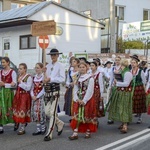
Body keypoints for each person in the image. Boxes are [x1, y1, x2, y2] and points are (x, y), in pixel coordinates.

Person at [69, 62, 97, 140]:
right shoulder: (77, 78)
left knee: (87, 114)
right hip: (79, 98)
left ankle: (88, 131)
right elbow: (75, 88)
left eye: (83, 67)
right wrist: (76, 98)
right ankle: (75, 132)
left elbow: (90, 90)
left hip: (87, 99)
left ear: (86, 68)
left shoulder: (90, 78)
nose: (81, 68)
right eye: (80, 67)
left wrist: (84, 100)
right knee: (77, 115)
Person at [43, 48, 65, 141]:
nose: (53, 57)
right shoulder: (47, 66)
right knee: (47, 112)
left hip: (55, 90)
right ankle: (59, 123)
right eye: (51, 55)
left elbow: (62, 79)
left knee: (52, 113)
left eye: (55, 55)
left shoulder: (61, 66)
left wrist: (51, 79)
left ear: (58, 55)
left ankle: (50, 133)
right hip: (47, 91)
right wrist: (43, 72)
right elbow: (45, 79)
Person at [108, 59, 133, 133]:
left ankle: (125, 125)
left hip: (125, 93)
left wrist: (117, 83)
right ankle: (123, 123)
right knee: (120, 107)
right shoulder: (123, 72)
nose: (120, 67)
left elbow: (126, 84)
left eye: (121, 65)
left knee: (124, 108)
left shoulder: (127, 73)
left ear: (123, 66)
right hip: (121, 92)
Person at [13, 63, 32, 135]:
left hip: (24, 95)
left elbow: (28, 87)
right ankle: (18, 122)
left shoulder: (28, 77)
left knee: (23, 110)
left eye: (21, 68)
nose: (19, 70)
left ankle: (22, 127)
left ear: (25, 69)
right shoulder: (19, 76)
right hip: (18, 95)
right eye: (19, 68)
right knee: (17, 109)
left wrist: (20, 82)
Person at [0, 57, 17, 134]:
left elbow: (14, 84)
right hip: (2, 92)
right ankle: (1, 126)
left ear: (8, 62)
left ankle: (16, 122)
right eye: (2, 62)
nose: (2, 64)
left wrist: (5, 84)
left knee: (10, 107)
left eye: (3, 62)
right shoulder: (1, 72)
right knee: (1, 107)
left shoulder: (12, 72)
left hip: (9, 93)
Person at [30, 63, 46, 135]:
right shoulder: (34, 77)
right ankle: (38, 128)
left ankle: (43, 127)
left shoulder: (43, 77)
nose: (37, 69)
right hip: (34, 97)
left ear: (42, 69)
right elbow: (32, 88)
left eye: (38, 68)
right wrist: (33, 95)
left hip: (40, 97)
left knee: (41, 112)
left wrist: (37, 96)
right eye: (36, 68)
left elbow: (44, 89)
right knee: (35, 113)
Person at [130, 55, 146, 124]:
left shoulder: (140, 71)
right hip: (132, 88)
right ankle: (129, 117)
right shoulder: (130, 71)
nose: (132, 64)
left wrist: (145, 90)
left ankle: (139, 117)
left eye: (134, 63)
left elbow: (144, 81)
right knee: (131, 102)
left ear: (137, 64)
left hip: (139, 88)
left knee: (139, 102)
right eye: (132, 62)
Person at [107, 56, 122, 124]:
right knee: (112, 102)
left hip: (121, 86)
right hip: (114, 86)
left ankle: (120, 117)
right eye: (116, 60)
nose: (117, 61)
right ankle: (111, 117)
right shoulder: (113, 68)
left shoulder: (122, 68)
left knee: (120, 102)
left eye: (118, 60)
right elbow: (111, 78)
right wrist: (110, 86)